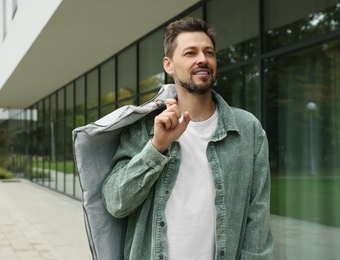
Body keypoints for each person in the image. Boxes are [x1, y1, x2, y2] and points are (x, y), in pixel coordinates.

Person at [102, 17, 273, 260]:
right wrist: (157, 147)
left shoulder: (248, 129)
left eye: (209, 52)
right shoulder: (143, 129)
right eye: (190, 53)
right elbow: (116, 203)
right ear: (169, 65)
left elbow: (258, 215)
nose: (202, 59)